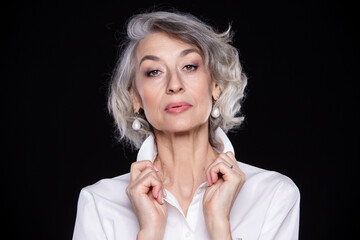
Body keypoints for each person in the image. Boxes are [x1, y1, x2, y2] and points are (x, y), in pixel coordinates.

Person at [72, 10, 300, 240]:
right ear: (135, 98)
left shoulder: (274, 195)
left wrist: (219, 225)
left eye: (189, 66)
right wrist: (149, 233)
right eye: (154, 72)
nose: (174, 85)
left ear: (216, 84)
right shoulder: (99, 204)